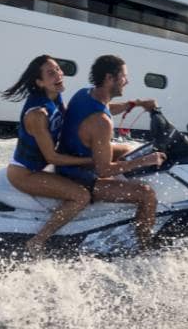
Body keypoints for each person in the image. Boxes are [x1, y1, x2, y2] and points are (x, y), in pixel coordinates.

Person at [58, 54, 166, 250]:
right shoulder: (101, 122)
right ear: (109, 78)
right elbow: (104, 170)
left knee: (128, 149)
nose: (127, 81)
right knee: (147, 194)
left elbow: (106, 107)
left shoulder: (85, 93)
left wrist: (134, 104)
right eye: (124, 77)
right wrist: (145, 161)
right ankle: (144, 248)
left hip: (73, 157)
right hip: (79, 177)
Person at [2, 55, 95, 256]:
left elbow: (81, 117)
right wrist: (92, 160)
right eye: (51, 73)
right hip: (25, 174)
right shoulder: (38, 114)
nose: (59, 74)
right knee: (81, 196)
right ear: (40, 82)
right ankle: (37, 241)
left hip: (38, 167)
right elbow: (52, 157)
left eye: (59, 69)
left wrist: (130, 105)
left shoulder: (54, 97)